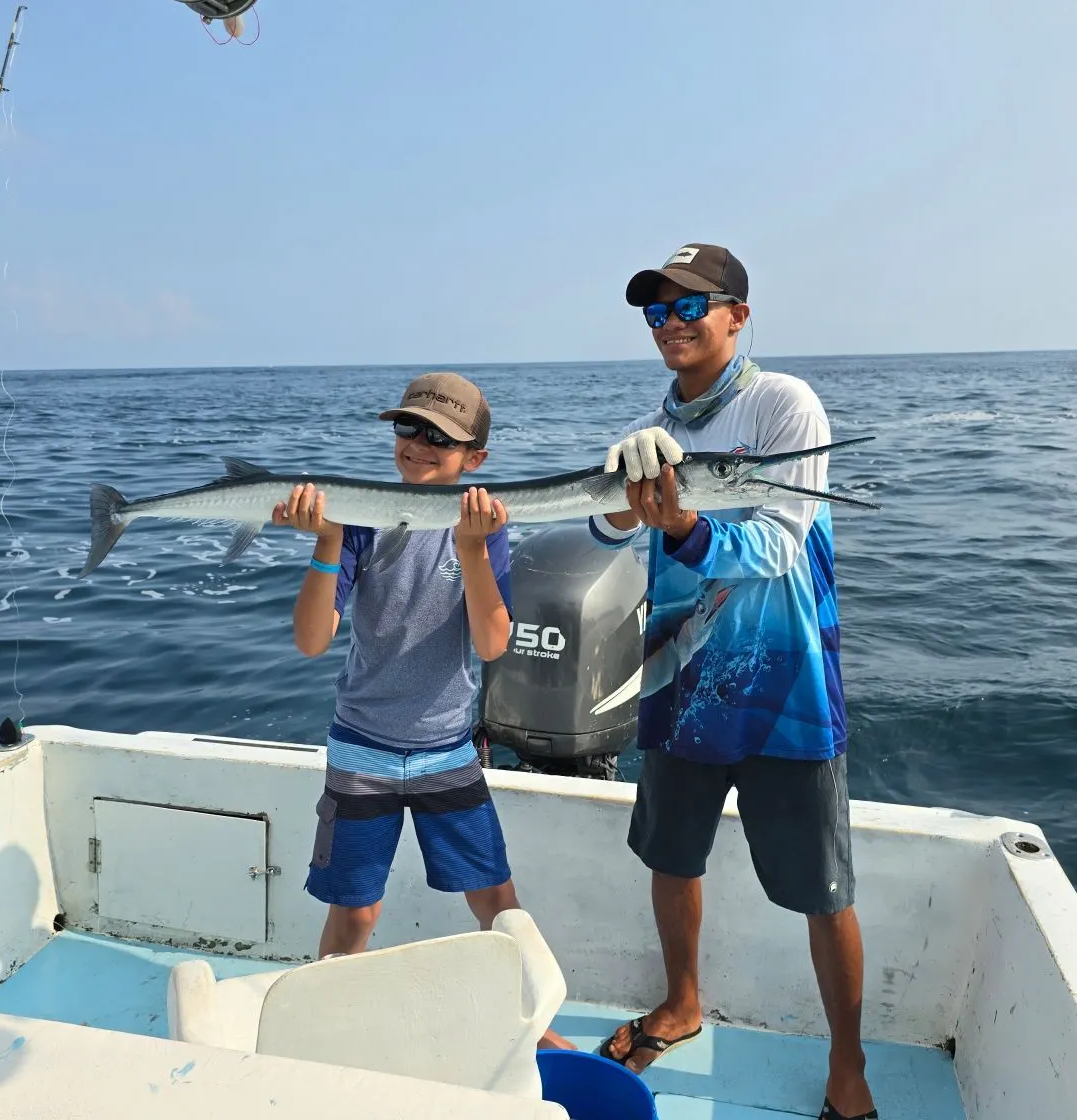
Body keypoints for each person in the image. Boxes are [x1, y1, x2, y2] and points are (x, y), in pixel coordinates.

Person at [591, 244, 876, 1119]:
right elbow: (607, 538)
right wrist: (618, 502)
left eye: (690, 308)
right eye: (656, 312)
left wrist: (682, 520)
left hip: (784, 688)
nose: (670, 325)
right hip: (681, 679)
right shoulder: (655, 430)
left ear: (737, 315)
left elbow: (781, 544)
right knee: (672, 858)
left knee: (821, 889)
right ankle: (681, 1003)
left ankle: (850, 1064)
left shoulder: (784, 404)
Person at [273, 370, 572, 1049]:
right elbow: (311, 640)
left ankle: (538, 1024)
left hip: (448, 751)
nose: (418, 443)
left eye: (441, 436)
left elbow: (494, 642)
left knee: (497, 902)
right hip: (360, 751)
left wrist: (470, 551)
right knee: (356, 912)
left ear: (477, 460)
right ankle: (315, 1028)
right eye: (409, 427)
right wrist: (324, 540)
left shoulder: (486, 527)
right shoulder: (358, 519)